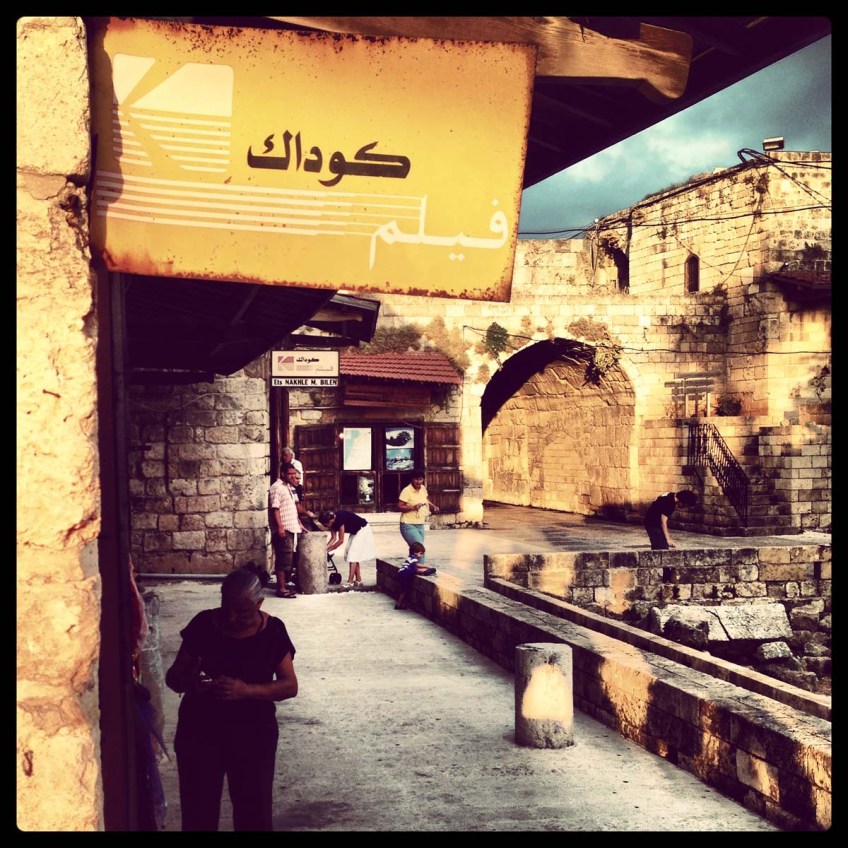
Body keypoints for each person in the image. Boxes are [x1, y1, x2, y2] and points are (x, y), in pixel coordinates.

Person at [165, 567, 298, 831]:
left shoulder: (272, 632)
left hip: (253, 736)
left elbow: (289, 686)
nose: (232, 617)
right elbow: (173, 679)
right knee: (198, 813)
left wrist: (246, 690)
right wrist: (194, 682)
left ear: (259, 604)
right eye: (227, 607)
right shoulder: (203, 625)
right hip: (199, 734)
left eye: (242, 611)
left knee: (254, 813)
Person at [268, 462, 307, 598]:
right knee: (283, 559)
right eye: (290, 474)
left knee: (289, 559)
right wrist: (280, 527)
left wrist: (299, 524)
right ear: (283, 474)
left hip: (292, 527)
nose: (292, 476)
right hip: (284, 529)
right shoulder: (276, 488)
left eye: (293, 474)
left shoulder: (288, 487)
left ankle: (285, 585)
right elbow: (275, 509)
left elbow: (293, 508)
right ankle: (281, 589)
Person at [318, 508, 376, 588]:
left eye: (327, 524)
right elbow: (333, 538)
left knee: (352, 556)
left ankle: (350, 582)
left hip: (362, 529)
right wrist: (325, 549)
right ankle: (359, 580)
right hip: (355, 531)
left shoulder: (340, 518)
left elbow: (341, 540)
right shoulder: (331, 522)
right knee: (352, 555)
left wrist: (329, 549)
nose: (326, 526)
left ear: (331, 520)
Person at [397, 468, 439, 562]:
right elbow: (399, 506)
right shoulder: (407, 490)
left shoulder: (423, 488)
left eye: (420, 479)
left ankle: (409, 570)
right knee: (419, 549)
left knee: (414, 551)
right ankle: (421, 570)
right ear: (412, 479)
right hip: (408, 524)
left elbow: (425, 500)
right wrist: (413, 507)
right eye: (416, 479)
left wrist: (433, 506)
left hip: (420, 524)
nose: (418, 481)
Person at [394, 541, 436, 610]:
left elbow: (416, 565)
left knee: (403, 590)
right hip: (404, 574)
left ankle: (399, 604)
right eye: (420, 553)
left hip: (402, 573)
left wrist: (426, 567)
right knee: (404, 591)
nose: (421, 555)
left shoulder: (411, 557)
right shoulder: (413, 558)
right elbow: (416, 569)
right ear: (415, 552)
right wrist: (424, 571)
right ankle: (398, 605)